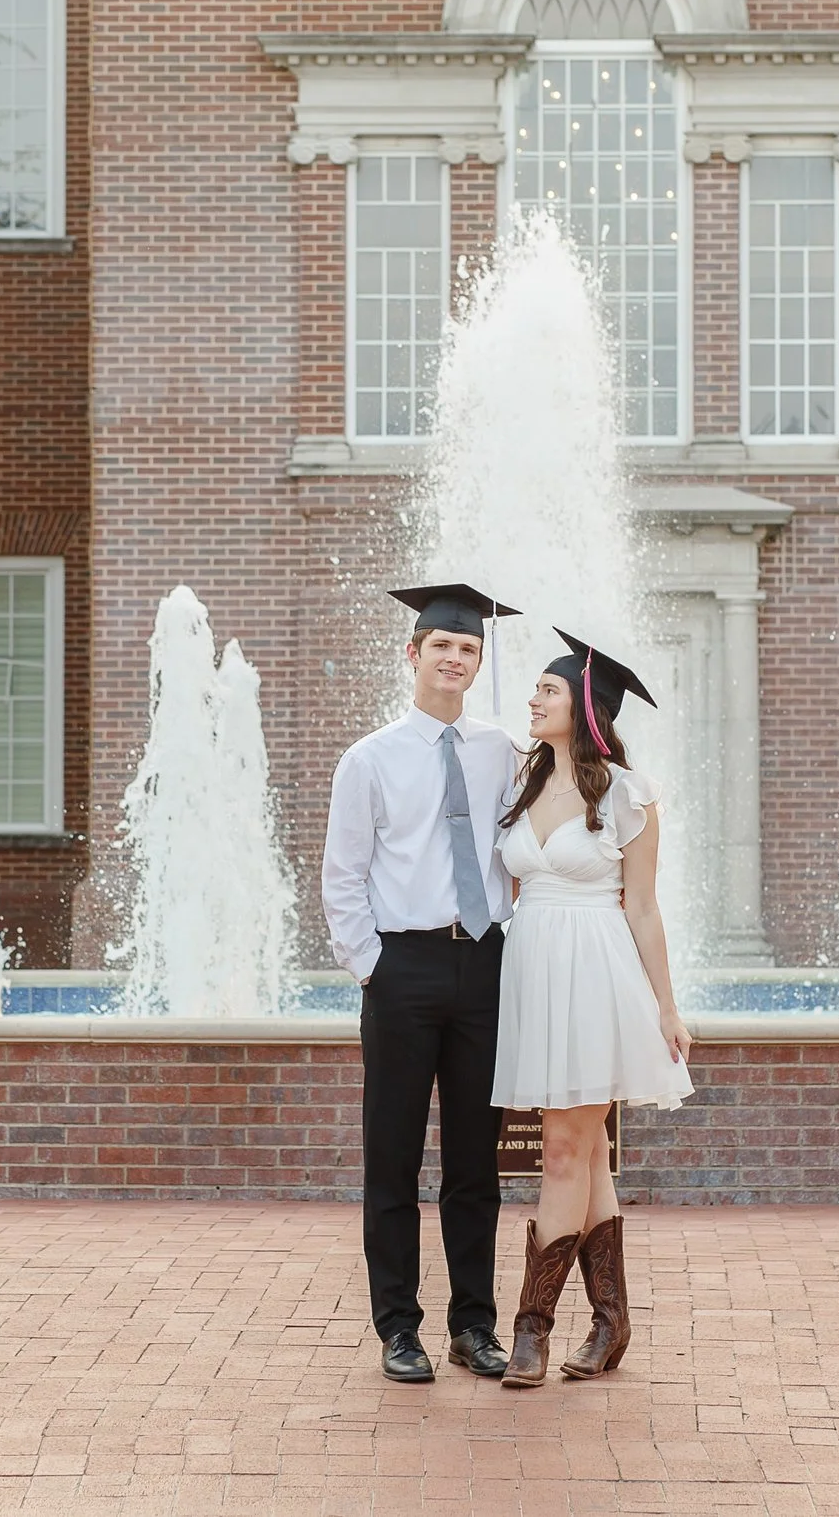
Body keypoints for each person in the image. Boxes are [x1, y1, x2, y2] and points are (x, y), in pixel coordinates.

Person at [321, 583, 520, 1383]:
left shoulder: (502, 751)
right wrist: (374, 967)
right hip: (402, 969)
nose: (454, 657)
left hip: (484, 965)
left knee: (478, 1164)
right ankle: (397, 1329)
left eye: (468, 648)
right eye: (442, 645)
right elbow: (343, 878)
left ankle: (474, 1326)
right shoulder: (368, 760)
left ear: (476, 662)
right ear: (413, 654)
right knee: (393, 1158)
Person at [489, 630, 693, 1387]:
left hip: (598, 971)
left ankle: (531, 1330)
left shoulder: (628, 794)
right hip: (535, 970)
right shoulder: (519, 781)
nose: (533, 699)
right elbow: (509, 889)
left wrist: (666, 1008)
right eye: (537, 687)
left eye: (548, 689)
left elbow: (642, 909)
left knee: (567, 1150)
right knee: (588, 1160)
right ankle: (610, 1322)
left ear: (584, 706)